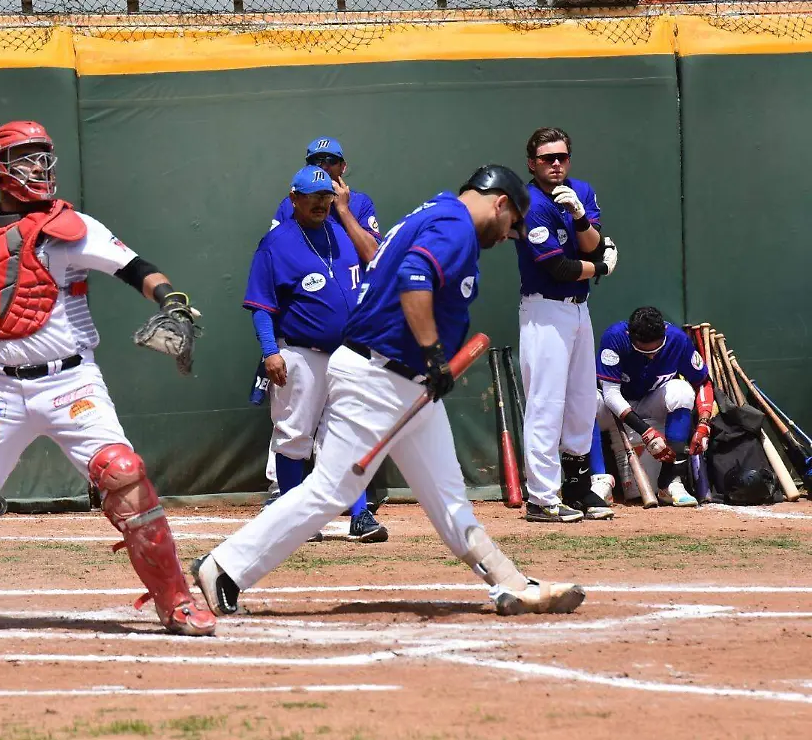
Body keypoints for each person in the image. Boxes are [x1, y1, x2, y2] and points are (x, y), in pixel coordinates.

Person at [192, 166, 585, 618]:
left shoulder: (439, 212)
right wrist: (435, 353)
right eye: (513, 222)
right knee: (330, 491)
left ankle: (510, 582)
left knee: (448, 494)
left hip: (405, 380)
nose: (510, 234)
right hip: (379, 377)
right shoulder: (456, 224)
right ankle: (223, 566)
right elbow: (414, 276)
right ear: (499, 202)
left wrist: (428, 363)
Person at [0, 120, 216, 636]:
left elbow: (134, 266)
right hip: (0, 390)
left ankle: (176, 601)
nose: (39, 168)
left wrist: (171, 300)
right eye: (25, 159)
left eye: (43, 157)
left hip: (70, 385)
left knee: (124, 475)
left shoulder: (70, 227)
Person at [246, 165, 384, 542]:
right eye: (313, 197)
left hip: (349, 353)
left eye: (327, 197)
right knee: (294, 436)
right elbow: (262, 306)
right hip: (301, 354)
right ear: (294, 199)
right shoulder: (276, 244)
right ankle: (295, 516)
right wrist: (270, 351)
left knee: (350, 433)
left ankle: (360, 515)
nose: (321, 203)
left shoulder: (341, 233)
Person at [516, 127, 619, 523]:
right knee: (545, 405)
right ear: (532, 163)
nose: (555, 163)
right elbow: (560, 267)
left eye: (561, 156)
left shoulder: (581, 190)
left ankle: (578, 489)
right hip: (545, 311)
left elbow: (592, 242)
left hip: (579, 309)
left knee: (581, 402)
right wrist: (604, 267)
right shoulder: (529, 203)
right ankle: (541, 497)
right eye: (546, 158)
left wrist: (579, 216)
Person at [592, 306, 709, 507]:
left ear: (664, 332)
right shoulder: (615, 337)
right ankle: (600, 481)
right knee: (589, 400)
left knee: (681, 390)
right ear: (630, 335)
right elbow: (611, 395)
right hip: (613, 409)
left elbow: (703, 382)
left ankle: (669, 481)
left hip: (650, 403)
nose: (651, 356)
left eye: (656, 350)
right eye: (643, 351)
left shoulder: (677, 339)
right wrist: (645, 431)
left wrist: (704, 423)